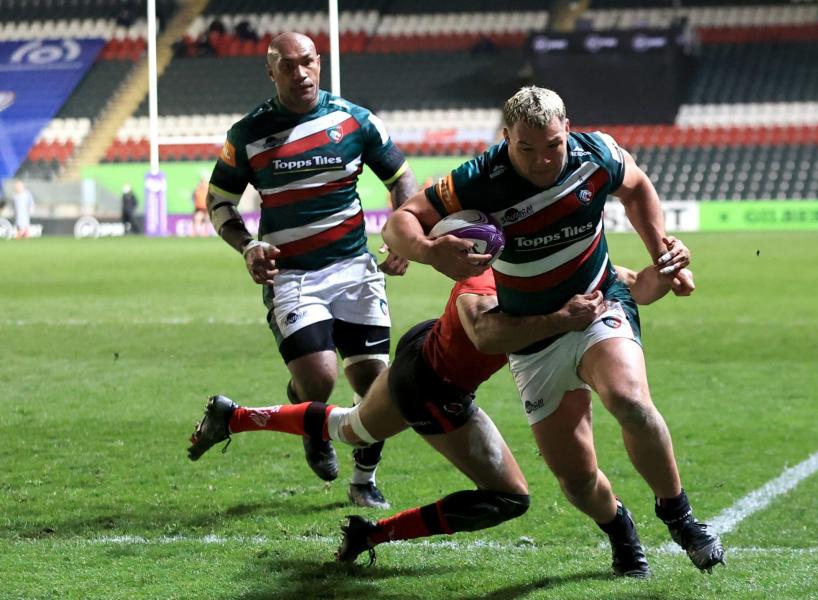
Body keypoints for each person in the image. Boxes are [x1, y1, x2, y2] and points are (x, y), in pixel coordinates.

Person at [381, 86, 725, 574]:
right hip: (532, 338)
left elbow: (638, 187)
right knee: (576, 479)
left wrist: (660, 254)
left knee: (628, 399)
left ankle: (679, 515)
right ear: (506, 139)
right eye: (527, 149)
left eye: (552, 146)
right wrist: (429, 251)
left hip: (598, 301)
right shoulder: (480, 178)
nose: (543, 161)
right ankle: (620, 528)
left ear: (567, 129)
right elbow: (400, 222)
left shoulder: (597, 153)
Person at [188, 260, 691, 576]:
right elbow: (484, 334)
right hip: (434, 389)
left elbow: (627, 280)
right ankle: (372, 534)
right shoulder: (486, 280)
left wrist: (662, 276)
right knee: (510, 498)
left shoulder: (545, 266)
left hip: (421, 351)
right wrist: (562, 320)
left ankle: (236, 416)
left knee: (349, 426)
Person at [203, 31, 418, 509]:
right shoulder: (248, 134)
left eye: (307, 62)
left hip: (355, 269)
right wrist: (246, 246)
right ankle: (310, 417)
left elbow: (402, 178)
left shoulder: (355, 121)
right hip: (292, 275)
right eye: (287, 65)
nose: (299, 73)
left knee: (375, 387)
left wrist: (403, 235)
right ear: (270, 71)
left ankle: (364, 479)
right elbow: (218, 201)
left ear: (318, 63)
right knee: (319, 379)